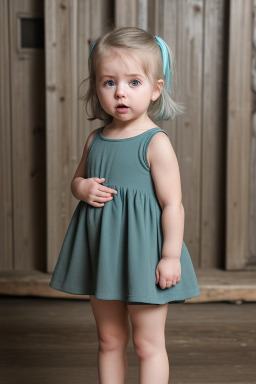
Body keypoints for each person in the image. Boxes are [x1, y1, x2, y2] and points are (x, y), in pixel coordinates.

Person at [49, 26, 201, 384]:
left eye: (134, 82)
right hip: (102, 254)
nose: (120, 92)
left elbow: (172, 204)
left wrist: (170, 256)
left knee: (148, 343)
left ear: (155, 90)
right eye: (108, 82)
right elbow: (76, 182)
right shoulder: (95, 140)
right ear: (96, 87)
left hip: (144, 255)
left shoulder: (155, 143)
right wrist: (82, 188)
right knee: (109, 339)